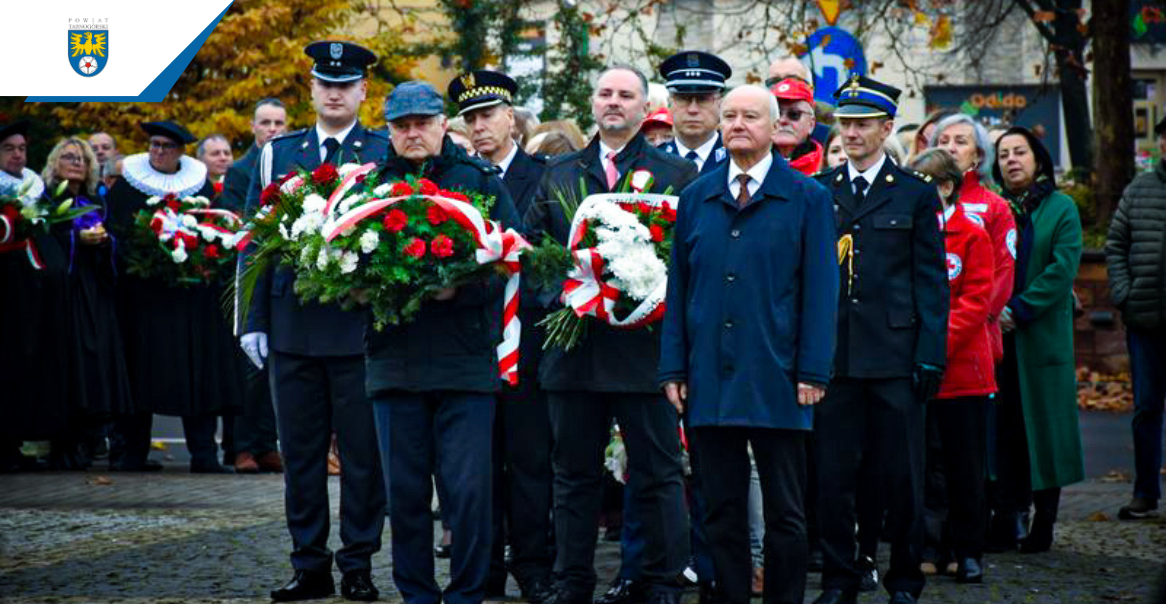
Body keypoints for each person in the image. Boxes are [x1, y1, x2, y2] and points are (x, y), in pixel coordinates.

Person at [658, 83, 838, 604]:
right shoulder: (697, 197)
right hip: (709, 375)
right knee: (720, 508)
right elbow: (680, 287)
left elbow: (821, 291)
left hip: (779, 375)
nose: (738, 124)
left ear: (774, 125)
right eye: (730, 115)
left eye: (750, 117)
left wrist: (814, 370)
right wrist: (674, 368)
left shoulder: (807, 198)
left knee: (785, 511)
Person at [526, 64, 697, 604]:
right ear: (592, 104)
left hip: (646, 353)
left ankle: (663, 580)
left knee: (658, 472)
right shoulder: (556, 173)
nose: (614, 103)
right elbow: (533, 254)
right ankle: (572, 582)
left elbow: (691, 261)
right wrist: (570, 295)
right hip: (575, 351)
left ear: (645, 108)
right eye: (605, 94)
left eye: (626, 95)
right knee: (573, 477)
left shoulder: (674, 176)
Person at [239, 41, 388, 602]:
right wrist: (250, 319)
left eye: (345, 84)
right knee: (300, 456)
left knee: (361, 456)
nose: (334, 91)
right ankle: (308, 564)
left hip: (356, 326)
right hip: (292, 325)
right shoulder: (280, 152)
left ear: (362, 91)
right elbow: (254, 241)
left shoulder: (380, 150)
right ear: (311, 88)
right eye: (325, 82)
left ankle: (357, 563)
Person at [367, 79, 521, 604]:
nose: (412, 134)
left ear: (441, 125)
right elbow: (336, 262)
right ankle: (416, 592)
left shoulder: (476, 179)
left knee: (468, 492)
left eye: (422, 124)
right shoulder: (366, 186)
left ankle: (467, 593)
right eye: (401, 126)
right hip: (394, 361)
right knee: (405, 493)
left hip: (465, 360)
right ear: (389, 131)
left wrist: (463, 283)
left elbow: (513, 256)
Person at [812, 74, 949, 604]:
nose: (850, 133)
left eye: (862, 124)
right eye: (845, 123)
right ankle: (840, 578)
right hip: (836, 357)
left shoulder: (913, 194)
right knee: (834, 476)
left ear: (886, 127)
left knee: (903, 478)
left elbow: (930, 282)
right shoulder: (820, 191)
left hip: (895, 356)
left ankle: (906, 578)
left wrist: (930, 354)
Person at [448, 70, 554, 604]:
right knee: (476, 467)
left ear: (511, 117)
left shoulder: (544, 175)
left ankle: (533, 565)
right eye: (470, 119)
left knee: (531, 461)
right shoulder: (457, 179)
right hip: (471, 342)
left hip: (528, 340)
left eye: (488, 115)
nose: (480, 126)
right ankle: (483, 566)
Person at [104, 120, 242, 474]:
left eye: (166, 146)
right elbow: (118, 234)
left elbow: (215, 229)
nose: (159, 151)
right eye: (154, 144)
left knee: (200, 373)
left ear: (181, 151)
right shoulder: (127, 186)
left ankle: (204, 455)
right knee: (139, 372)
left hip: (192, 299)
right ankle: (132, 454)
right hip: (143, 301)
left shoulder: (200, 184)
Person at [991, 126, 1084, 553]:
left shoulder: (1060, 208)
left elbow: (1061, 271)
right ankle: (1008, 518)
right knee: (1006, 430)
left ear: (1039, 159)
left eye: (1020, 152)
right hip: (998, 339)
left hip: (1040, 336)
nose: (1012, 160)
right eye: (1004, 154)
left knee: (1046, 431)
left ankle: (1044, 522)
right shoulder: (996, 208)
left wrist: (1019, 309)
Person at [907, 148, 996, 584]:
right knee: (925, 466)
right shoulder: (906, 234)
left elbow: (975, 302)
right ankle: (928, 545)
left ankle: (968, 549)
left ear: (946, 188)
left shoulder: (971, 235)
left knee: (964, 466)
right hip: (919, 374)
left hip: (963, 373)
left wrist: (932, 345)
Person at [41, 138, 134, 469]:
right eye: (68, 156)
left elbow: (113, 245)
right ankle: (61, 444)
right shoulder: (46, 199)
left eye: (82, 157)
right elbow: (43, 239)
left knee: (95, 364)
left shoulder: (96, 200)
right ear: (55, 162)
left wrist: (105, 241)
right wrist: (74, 239)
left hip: (93, 293)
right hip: (62, 293)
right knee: (68, 361)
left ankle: (91, 437)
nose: (77, 162)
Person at [221, 98, 287, 474]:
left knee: (270, 372)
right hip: (248, 274)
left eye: (279, 122)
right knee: (247, 369)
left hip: (280, 273)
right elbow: (239, 221)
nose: (273, 129)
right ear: (252, 127)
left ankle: (265, 443)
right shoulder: (242, 170)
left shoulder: (288, 161)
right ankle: (242, 446)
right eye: (265, 122)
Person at [0, 120, 71, 469]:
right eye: (9, 148)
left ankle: (20, 443)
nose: (17, 154)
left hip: (32, 292)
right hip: (6, 291)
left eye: (22, 148)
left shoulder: (33, 186)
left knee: (29, 365)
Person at [1108, 116, 1166, 521]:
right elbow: (1115, 244)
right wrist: (1125, 295)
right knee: (1146, 408)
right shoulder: (1140, 190)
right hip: (1146, 319)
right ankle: (1145, 492)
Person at [658, 51, 730, 176]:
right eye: (683, 98)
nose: (692, 110)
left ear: (721, 104)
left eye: (703, 99)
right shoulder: (652, 161)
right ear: (669, 103)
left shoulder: (739, 158)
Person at [770, 78, 822, 175]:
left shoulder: (826, 163)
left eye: (794, 114)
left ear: (811, 124)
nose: (782, 120)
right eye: (776, 113)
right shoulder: (751, 161)